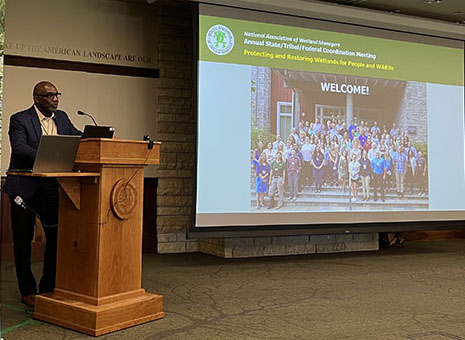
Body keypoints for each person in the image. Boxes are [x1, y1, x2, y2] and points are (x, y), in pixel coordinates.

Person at [3, 81, 81, 307]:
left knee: (56, 239)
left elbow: (77, 136)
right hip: (24, 188)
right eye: (49, 95)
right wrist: (48, 156)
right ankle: (27, 290)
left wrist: (99, 137)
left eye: (57, 94)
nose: (55, 99)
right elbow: (19, 148)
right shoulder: (20, 119)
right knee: (22, 241)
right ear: (37, 98)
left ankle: (47, 288)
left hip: (52, 187)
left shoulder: (63, 118)